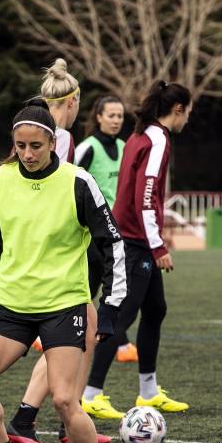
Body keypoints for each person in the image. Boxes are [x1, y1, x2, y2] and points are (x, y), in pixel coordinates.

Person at [0, 103, 126, 443]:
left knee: (66, 401)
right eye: (20, 146)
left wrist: (112, 304)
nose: (28, 154)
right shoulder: (0, 179)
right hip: (12, 303)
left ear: (54, 142)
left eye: (36, 145)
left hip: (63, 304)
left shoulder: (78, 181)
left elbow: (110, 243)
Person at [4, 60, 110, 443]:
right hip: (56, 255)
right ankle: (52, 419)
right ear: (75, 100)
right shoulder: (56, 136)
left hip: (37, 252)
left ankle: (41, 417)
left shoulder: (29, 129)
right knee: (75, 333)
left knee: (86, 330)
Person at [85, 81, 194, 416]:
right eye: (188, 112)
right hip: (135, 241)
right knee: (120, 316)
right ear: (178, 109)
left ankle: (147, 390)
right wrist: (157, 245)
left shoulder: (139, 134)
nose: (187, 119)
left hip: (132, 238)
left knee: (156, 309)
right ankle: (91, 395)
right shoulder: (158, 138)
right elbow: (145, 196)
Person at [76, 95, 139, 364]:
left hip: (116, 232)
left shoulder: (126, 147)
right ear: (98, 116)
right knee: (85, 289)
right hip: (90, 232)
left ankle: (116, 338)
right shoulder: (87, 148)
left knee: (115, 286)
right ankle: (53, 336)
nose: (116, 120)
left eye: (120, 116)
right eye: (111, 115)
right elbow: (70, 182)